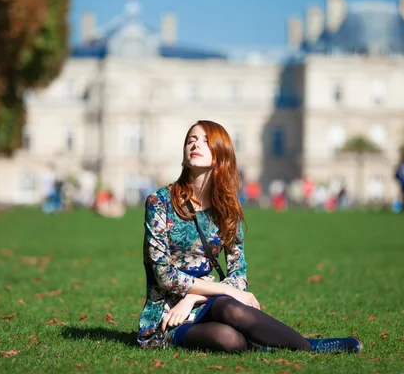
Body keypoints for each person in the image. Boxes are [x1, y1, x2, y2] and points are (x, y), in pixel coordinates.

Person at [137, 120, 362, 354]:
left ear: (221, 153)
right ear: (184, 155)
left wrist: (193, 299)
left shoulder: (226, 207)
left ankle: (312, 347)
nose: (195, 145)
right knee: (229, 340)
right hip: (167, 314)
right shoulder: (160, 201)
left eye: (205, 141)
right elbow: (165, 276)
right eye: (191, 141)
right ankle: (269, 346)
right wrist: (230, 292)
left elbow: (238, 274)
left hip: (204, 302)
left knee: (231, 309)